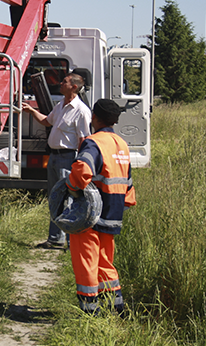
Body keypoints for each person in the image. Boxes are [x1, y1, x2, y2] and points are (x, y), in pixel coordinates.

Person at [66, 98, 135, 315]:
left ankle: (90, 311)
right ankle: (116, 307)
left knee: (86, 261)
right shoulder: (122, 144)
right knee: (105, 261)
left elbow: (82, 169)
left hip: (91, 215)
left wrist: (70, 188)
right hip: (113, 213)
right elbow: (128, 181)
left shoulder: (93, 142)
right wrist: (124, 203)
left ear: (94, 117)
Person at [22, 73, 91, 249]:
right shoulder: (61, 105)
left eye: (65, 82)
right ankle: (55, 238)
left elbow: (84, 139)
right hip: (54, 157)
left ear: (74, 87)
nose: (61, 84)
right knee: (55, 197)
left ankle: (68, 240)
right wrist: (31, 111)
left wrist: (80, 163)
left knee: (66, 198)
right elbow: (47, 121)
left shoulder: (81, 111)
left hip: (68, 158)